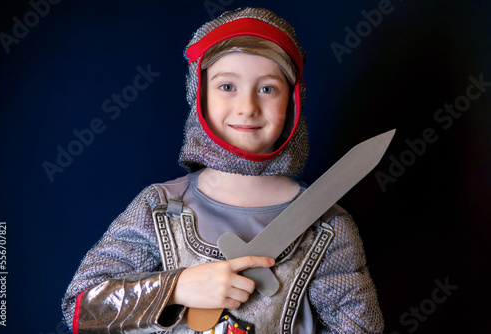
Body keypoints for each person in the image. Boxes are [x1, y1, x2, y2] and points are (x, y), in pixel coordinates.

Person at [62, 7, 384, 333]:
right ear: (199, 95)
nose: (247, 107)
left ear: (293, 101)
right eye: (227, 86)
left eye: (267, 88)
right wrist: (178, 287)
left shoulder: (327, 228)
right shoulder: (159, 208)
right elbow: (83, 310)